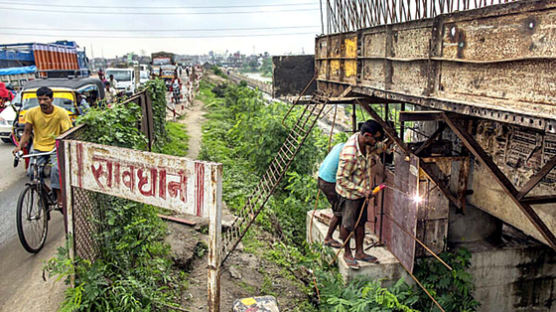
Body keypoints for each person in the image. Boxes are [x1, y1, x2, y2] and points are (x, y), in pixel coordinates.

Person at [336, 120, 391, 269]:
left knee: (361, 222)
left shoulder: (366, 144)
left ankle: (360, 252)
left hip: (362, 193)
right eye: (376, 138)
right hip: (349, 195)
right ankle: (347, 253)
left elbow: (377, 148)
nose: (376, 142)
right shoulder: (350, 153)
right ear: (367, 135)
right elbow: (341, 179)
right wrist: (363, 191)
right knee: (347, 224)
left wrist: (387, 143)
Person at [13, 87, 72, 207]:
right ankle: (45, 194)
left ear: (51, 99)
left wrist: (63, 146)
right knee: (31, 173)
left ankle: (59, 197)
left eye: (45, 99)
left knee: (56, 171)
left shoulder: (61, 113)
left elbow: (67, 133)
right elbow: (27, 132)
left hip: (55, 147)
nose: (42, 102)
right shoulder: (32, 113)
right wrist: (19, 147)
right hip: (38, 147)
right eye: (40, 99)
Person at [317, 142, 345, 248]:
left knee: (339, 207)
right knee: (339, 211)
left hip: (322, 178)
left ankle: (342, 234)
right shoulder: (348, 151)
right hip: (329, 182)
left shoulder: (341, 145)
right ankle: (328, 237)